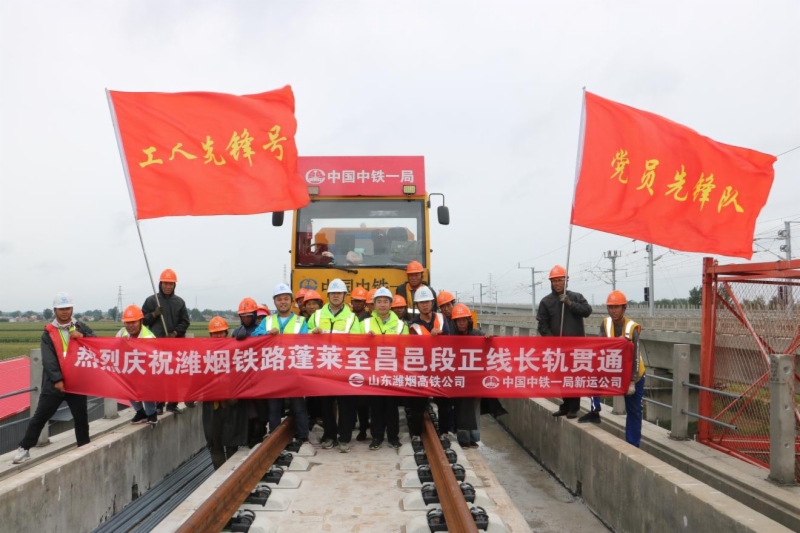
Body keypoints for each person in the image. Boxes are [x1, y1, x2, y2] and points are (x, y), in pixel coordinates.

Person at [12, 293, 96, 464]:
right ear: (55, 310)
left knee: (81, 417)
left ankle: (84, 447)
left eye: (68, 308)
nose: (65, 312)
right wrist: (57, 380)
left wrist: (83, 337)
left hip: (76, 382)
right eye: (61, 309)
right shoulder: (48, 333)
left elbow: (96, 342)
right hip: (54, 384)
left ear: (72, 309)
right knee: (40, 416)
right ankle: (24, 448)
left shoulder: (81, 327)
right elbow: (49, 360)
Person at [580, 291, 646, 447]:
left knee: (634, 412)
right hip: (614, 370)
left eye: (616, 307)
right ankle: (595, 410)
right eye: (610, 307)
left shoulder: (632, 328)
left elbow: (636, 357)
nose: (613, 311)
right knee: (592, 377)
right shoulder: (606, 324)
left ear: (624, 308)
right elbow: (601, 346)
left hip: (633, 374)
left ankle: (632, 445)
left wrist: (632, 381)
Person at [308, 278, 364, 453]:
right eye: (333, 293)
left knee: (346, 404)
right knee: (326, 404)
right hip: (324, 366)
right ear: (328, 295)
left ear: (344, 296)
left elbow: (357, 341)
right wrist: (312, 332)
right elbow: (304, 337)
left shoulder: (352, 318)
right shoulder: (317, 315)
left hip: (344, 367)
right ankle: (329, 435)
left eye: (339, 293)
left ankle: (345, 438)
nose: (336, 296)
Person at [251, 284, 310, 443]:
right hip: (274, 370)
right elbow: (254, 336)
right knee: (274, 407)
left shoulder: (300, 321)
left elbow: (306, 341)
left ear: (291, 301)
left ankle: (303, 435)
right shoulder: (268, 321)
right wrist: (266, 333)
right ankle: (274, 438)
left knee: (298, 405)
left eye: (285, 299)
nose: (282, 302)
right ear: (274, 302)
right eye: (279, 299)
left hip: (294, 370)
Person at [537, 265, 592, 419]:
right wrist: (552, 341)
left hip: (576, 348)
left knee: (574, 377)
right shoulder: (546, 302)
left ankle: (574, 408)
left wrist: (570, 304)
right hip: (558, 348)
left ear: (566, 281)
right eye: (554, 281)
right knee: (561, 377)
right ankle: (565, 405)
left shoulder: (576, 297)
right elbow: (542, 325)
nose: (557, 284)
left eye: (560, 280)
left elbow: (587, 311)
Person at [363, 287, 409, 450]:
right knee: (375, 406)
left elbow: (405, 347)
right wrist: (365, 340)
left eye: (385, 302)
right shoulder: (365, 324)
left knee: (391, 406)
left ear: (391, 304)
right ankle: (377, 437)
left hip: (392, 371)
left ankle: (393, 437)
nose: (382, 305)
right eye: (379, 302)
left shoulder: (400, 325)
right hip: (373, 371)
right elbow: (354, 345)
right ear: (374, 304)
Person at [202, 317, 249, 469]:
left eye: (221, 332)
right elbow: (196, 377)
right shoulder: (204, 354)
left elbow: (242, 375)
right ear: (210, 335)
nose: (218, 336)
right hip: (212, 406)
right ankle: (220, 474)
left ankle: (231, 473)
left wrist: (237, 394)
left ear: (227, 333)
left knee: (231, 442)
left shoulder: (235, 352)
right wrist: (190, 396)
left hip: (231, 405)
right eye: (215, 333)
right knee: (215, 443)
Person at [142, 268, 190, 415]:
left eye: (171, 284)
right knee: (159, 375)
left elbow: (185, 321)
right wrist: (154, 314)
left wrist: (175, 333)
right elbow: (142, 321)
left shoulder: (180, 302)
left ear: (174, 285)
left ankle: (172, 404)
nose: (168, 286)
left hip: (175, 344)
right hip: (157, 344)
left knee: (174, 374)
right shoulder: (152, 300)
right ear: (160, 284)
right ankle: (159, 404)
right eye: (165, 283)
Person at [449, 304, 489, 448]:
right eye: (458, 320)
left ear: (469, 320)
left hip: (475, 379)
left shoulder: (478, 335)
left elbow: (491, 348)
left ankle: (474, 438)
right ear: (454, 322)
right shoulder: (451, 337)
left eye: (464, 320)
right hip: (460, 379)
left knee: (475, 407)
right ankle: (464, 439)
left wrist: (489, 338)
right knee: (461, 408)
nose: (461, 323)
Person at [115, 305, 160, 425]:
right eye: (127, 322)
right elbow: (114, 349)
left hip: (146, 370)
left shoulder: (148, 337)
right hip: (129, 368)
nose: (130, 325)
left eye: (133, 322)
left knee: (147, 386)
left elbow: (153, 360)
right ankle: (140, 412)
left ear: (140, 321)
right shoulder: (122, 333)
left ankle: (151, 414)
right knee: (125, 384)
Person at [233, 297, 268, 445]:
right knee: (247, 410)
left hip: (259, 376)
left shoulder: (260, 331)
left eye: (248, 316)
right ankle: (248, 436)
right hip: (243, 376)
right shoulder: (236, 332)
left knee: (261, 410)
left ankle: (259, 433)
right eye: (243, 316)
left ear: (254, 315)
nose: (246, 319)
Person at [349, 286, 371, 440]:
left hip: (366, 362)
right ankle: (354, 424)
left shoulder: (368, 319)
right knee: (352, 397)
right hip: (350, 360)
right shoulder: (349, 318)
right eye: (355, 301)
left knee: (364, 399)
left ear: (365, 303)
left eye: (360, 301)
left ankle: (364, 427)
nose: (357, 304)